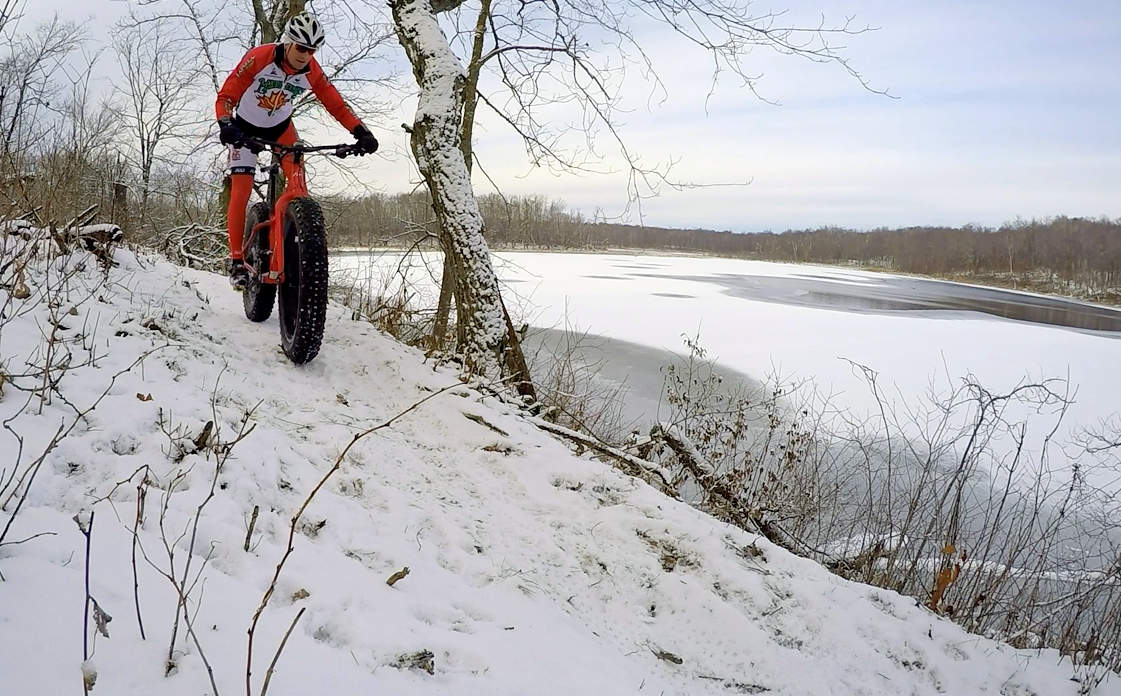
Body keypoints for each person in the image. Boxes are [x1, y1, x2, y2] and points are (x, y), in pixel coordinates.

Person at [215, 12, 378, 289]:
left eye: (312, 50)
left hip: (281, 128)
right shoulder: (260, 58)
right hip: (244, 128)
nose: (306, 55)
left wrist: (360, 131)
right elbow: (226, 97)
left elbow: (335, 104)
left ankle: (293, 245)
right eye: (302, 48)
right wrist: (226, 124)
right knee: (241, 189)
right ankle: (236, 260)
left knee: (299, 183)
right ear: (288, 43)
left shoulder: (312, 70)